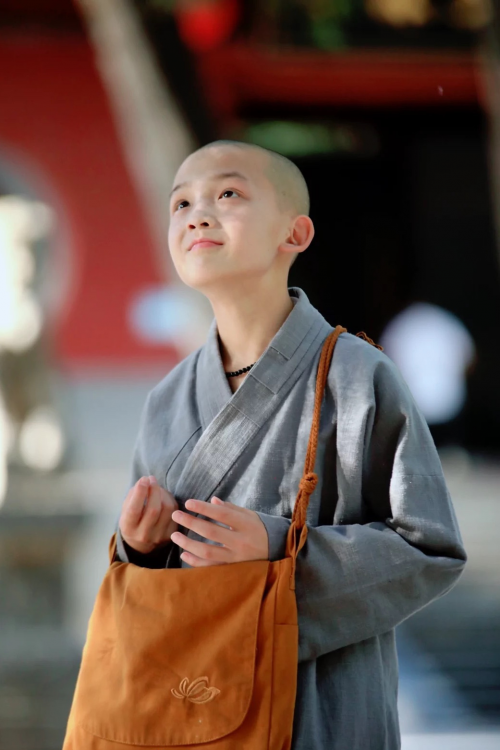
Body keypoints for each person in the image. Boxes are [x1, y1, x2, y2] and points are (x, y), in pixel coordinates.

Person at [113, 140, 467, 750]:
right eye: (181, 203)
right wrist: (139, 549)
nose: (197, 213)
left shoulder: (357, 375)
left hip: (320, 714)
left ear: (295, 234)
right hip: (191, 712)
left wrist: (277, 551)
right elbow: (151, 588)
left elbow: (429, 547)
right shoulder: (167, 399)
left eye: (227, 194)